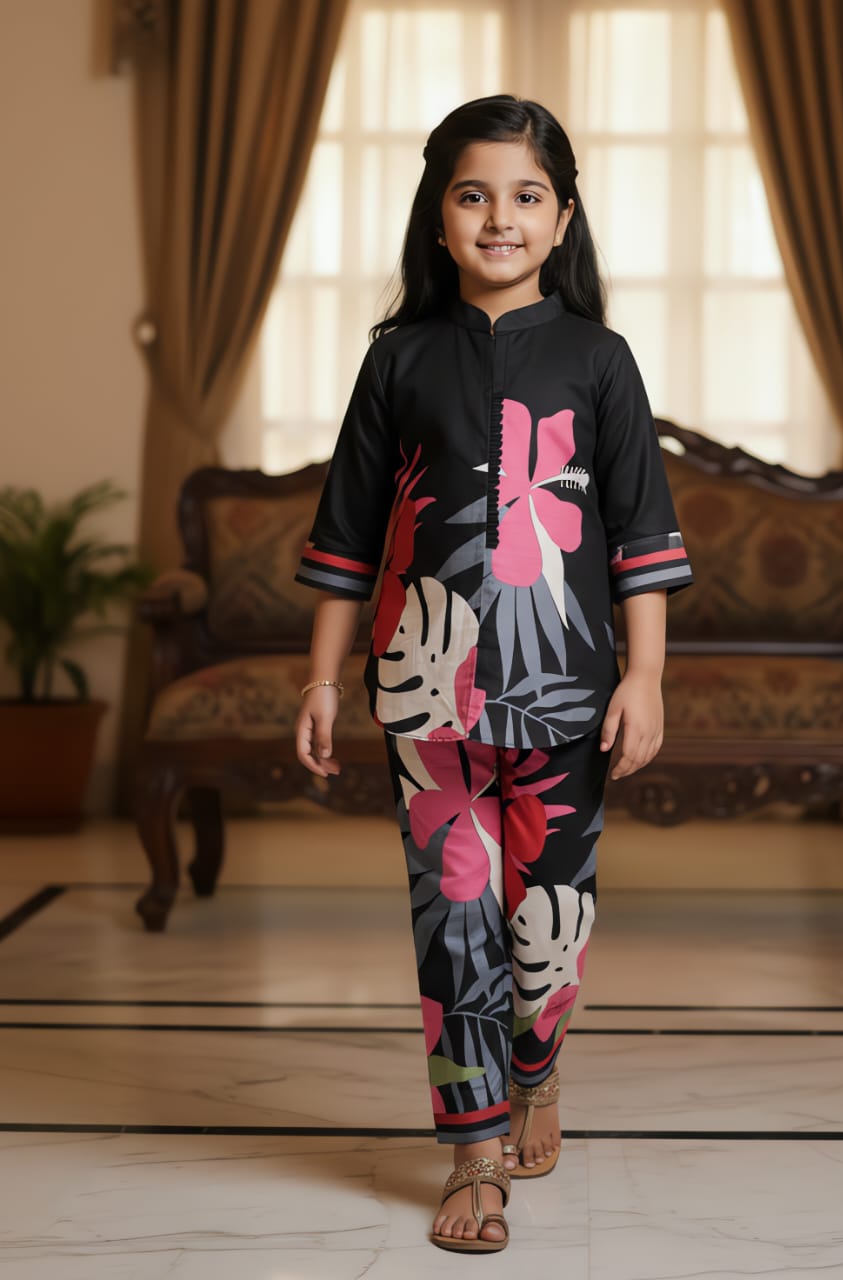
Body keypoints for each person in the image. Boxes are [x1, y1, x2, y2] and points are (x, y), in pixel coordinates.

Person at [294, 94, 693, 1254]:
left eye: (526, 196)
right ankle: (472, 1154)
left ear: (562, 219)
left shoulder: (600, 360)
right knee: (453, 918)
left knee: (545, 932)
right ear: (438, 218)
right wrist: (324, 681)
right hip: (425, 702)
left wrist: (647, 678)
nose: (499, 217)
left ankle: (539, 1069)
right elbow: (344, 539)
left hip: (568, 695)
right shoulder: (398, 361)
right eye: (474, 194)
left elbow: (644, 539)